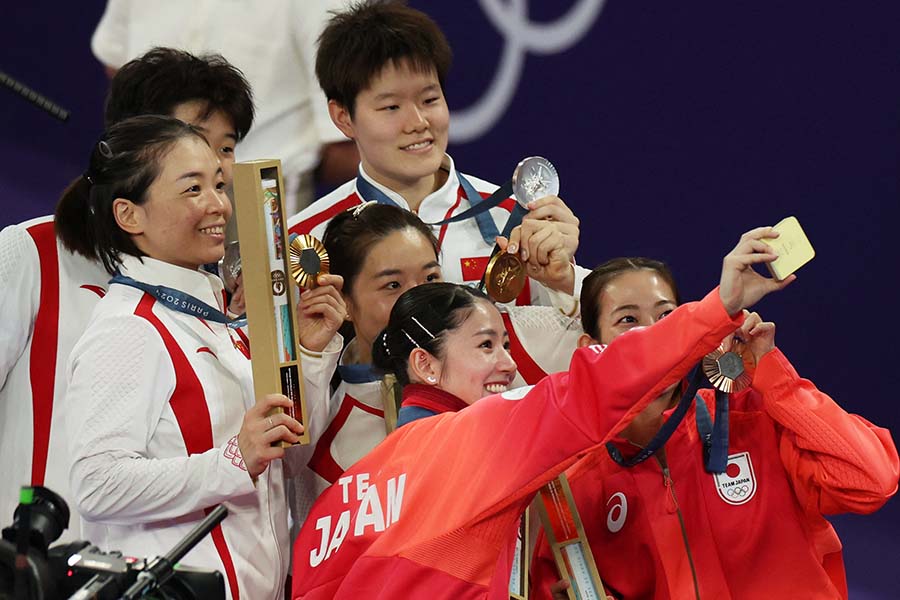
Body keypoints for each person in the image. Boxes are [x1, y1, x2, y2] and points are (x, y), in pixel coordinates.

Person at [289, 227, 794, 599]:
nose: (509, 365)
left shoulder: (343, 498)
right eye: (487, 345)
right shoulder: (483, 436)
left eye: (506, 344)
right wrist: (719, 304)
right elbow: (606, 383)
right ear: (425, 364)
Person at [56, 115, 339, 600]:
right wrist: (232, 460)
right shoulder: (131, 328)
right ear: (129, 215)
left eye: (218, 184)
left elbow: (287, 460)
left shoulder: (215, 313)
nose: (219, 206)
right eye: (192, 189)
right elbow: (96, 485)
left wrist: (310, 353)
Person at [530, 256, 900, 600]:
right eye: (628, 319)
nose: (652, 334)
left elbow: (870, 482)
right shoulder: (578, 485)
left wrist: (775, 377)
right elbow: (550, 584)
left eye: (666, 316)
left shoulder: (752, 418)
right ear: (590, 348)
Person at [0, 47, 255, 540]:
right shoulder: (30, 254)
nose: (216, 166)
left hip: (162, 573)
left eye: (226, 148)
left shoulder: (222, 290)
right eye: (195, 142)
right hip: (38, 562)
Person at [286, 202, 581, 532]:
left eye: (430, 276)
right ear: (345, 302)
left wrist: (567, 282)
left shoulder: (509, 342)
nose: (422, 297)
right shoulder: (329, 429)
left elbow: (620, 345)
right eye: (392, 285)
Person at [288, 1, 584, 311]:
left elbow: (567, 347)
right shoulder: (305, 244)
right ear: (343, 117)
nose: (418, 123)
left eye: (429, 99)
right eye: (391, 107)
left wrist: (566, 281)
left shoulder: (517, 222)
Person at [91, 0, 359, 214]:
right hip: (142, 188)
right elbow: (119, 63)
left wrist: (291, 162)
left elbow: (351, 139)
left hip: (261, 201)